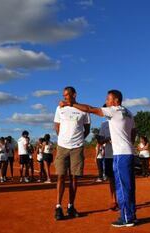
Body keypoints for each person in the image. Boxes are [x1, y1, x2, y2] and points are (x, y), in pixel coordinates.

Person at [59, 89, 137, 227]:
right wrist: (128, 143)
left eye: (108, 99)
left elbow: (90, 109)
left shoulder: (114, 110)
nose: (106, 102)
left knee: (121, 186)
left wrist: (71, 104)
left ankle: (126, 218)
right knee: (129, 186)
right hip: (130, 152)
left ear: (116, 101)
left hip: (120, 154)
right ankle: (131, 214)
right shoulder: (129, 113)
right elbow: (133, 132)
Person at [54, 86, 91, 221]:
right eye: (64, 96)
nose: (64, 98)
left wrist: (78, 139)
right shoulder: (60, 108)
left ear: (74, 95)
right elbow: (57, 126)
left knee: (74, 178)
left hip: (77, 147)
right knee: (60, 176)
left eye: (67, 95)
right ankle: (58, 207)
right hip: (62, 147)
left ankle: (71, 206)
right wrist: (63, 139)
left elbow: (87, 129)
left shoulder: (84, 110)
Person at [98, 120, 118, 211]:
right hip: (109, 155)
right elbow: (100, 141)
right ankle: (114, 200)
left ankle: (123, 201)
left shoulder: (120, 120)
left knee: (121, 179)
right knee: (111, 179)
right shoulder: (104, 124)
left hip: (120, 154)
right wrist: (108, 138)